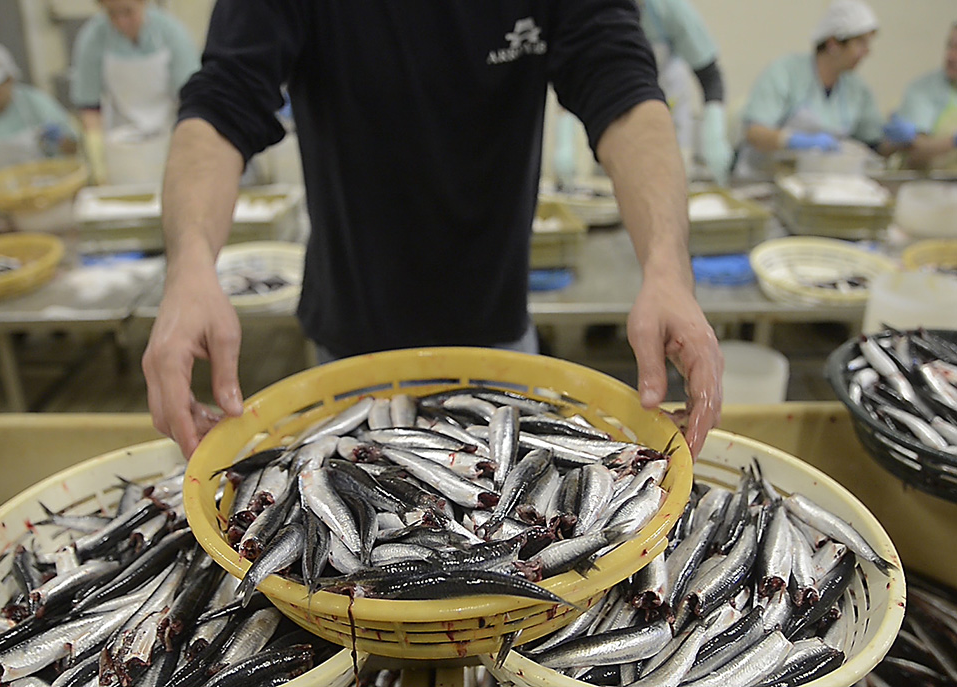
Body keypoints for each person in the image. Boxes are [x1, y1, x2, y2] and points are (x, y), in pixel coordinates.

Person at [142, 1, 724, 460]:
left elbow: (621, 86)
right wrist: (191, 263)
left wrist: (667, 267)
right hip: (347, 347)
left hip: (496, 342)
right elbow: (223, 100)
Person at [735, 0, 900, 178]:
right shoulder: (785, 73)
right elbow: (755, 133)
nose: (867, 52)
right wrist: (794, 141)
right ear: (833, 44)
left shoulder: (856, 89)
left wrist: (900, 140)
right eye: (860, 43)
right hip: (765, 179)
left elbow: (873, 144)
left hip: (821, 184)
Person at [69, 0, 200, 184]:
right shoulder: (93, 37)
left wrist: (189, 149)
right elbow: (89, 106)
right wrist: (97, 159)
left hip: (170, 136)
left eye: (128, 12)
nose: (121, 22)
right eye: (112, 14)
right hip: (120, 143)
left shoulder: (171, 33)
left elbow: (191, 99)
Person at [0, 39, 78, 195]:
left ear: (9, 79)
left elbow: (72, 149)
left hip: (45, 192)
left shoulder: (35, 103)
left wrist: (60, 139)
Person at [638, 0, 734, 185]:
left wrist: (714, 134)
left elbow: (710, 77)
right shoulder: (594, 13)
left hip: (671, 116)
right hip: (618, 122)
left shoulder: (668, 9)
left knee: (670, 182)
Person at [882, 24, 957, 170]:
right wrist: (952, 142)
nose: (951, 56)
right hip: (924, 186)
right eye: (950, 46)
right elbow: (915, 152)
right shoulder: (924, 89)